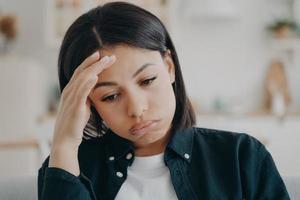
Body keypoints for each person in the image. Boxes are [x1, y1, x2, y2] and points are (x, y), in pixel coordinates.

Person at [38, 2, 290, 200]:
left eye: (147, 80)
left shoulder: (241, 156)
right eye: (111, 96)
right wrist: (64, 144)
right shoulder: (66, 166)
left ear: (169, 67)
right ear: (88, 103)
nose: (137, 109)